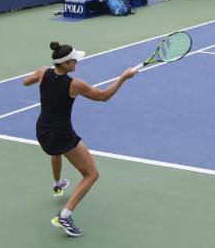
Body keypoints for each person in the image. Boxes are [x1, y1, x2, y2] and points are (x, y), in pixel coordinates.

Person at [22, 42, 138, 238]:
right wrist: (123, 78)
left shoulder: (43, 72)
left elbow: (26, 82)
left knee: (56, 152)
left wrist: (45, 79)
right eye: (74, 60)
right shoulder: (74, 85)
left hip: (42, 131)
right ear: (65, 64)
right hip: (62, 135)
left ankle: (58, 183)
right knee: (91, 174)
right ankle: (64, 216)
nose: (77, 62)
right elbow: (103, 96)